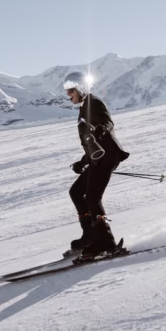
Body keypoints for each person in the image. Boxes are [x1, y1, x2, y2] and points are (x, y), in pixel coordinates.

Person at [63, 71, 131, 259]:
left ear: (81, 88)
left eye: (71, 91)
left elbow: (108, 122)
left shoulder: (94, 103)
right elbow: (91, 142)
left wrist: (101, 129)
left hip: (107, 157)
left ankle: (107, 244)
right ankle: (90, 237)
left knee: (93, 198)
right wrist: (82, 161)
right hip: (97, 158)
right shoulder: (84, 107)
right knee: (76, 192)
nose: (68, 95)